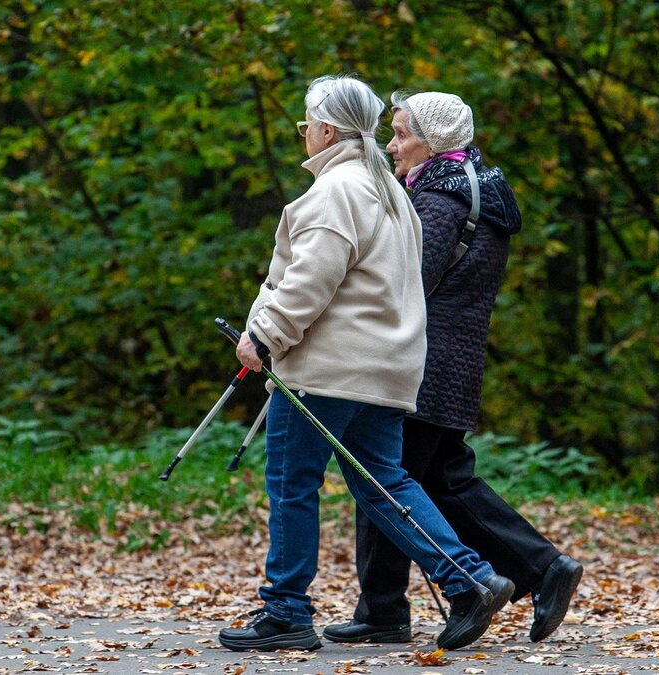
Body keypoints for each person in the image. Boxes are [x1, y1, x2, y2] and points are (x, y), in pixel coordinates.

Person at [217, 75, 515, 653]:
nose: (304, 135)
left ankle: (285, 612)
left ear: (327, 129)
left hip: (327, 370)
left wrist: (265, 336)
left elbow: (308, 281)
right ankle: (470, 579)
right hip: (387, 368)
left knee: (292, 482)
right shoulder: (390, 188)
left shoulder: (337, 191)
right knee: (385, 482)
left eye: (307, 125)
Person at [322, 91, 584, 646]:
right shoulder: (474, 186)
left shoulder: (440, 199)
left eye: (401, 134)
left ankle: (388, 610)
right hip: (453, 361)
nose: (391, 145)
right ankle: (542, 569)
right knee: (442, 479)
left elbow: (402, 278)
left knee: (383, 478)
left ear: (434, 141)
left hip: (424, 362)